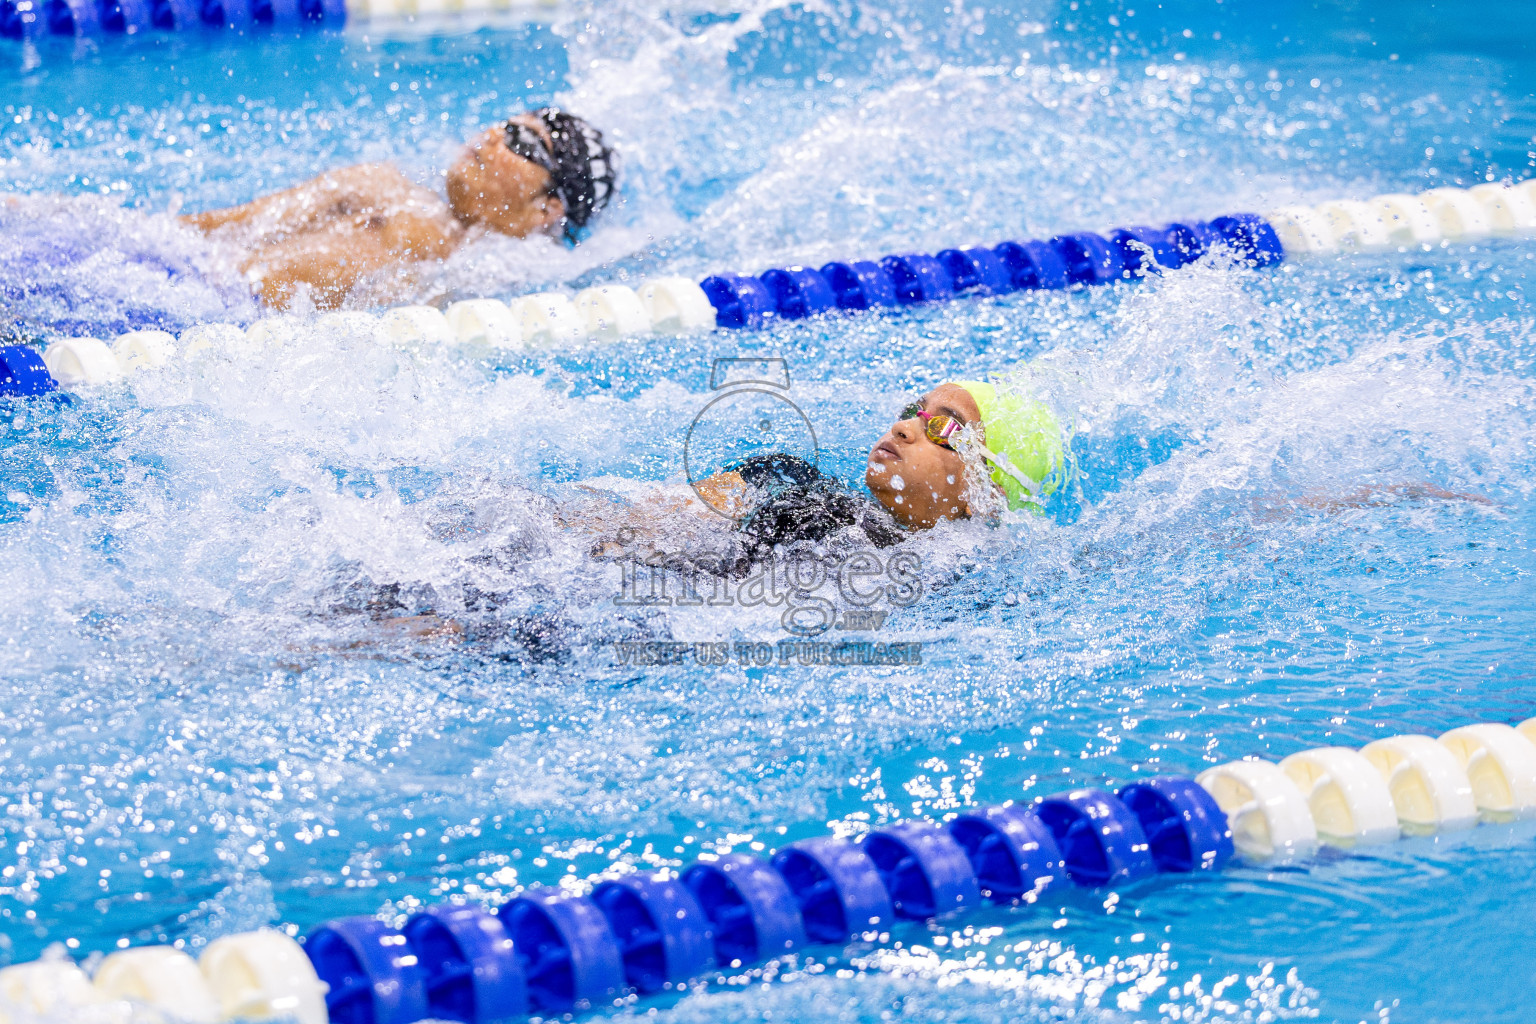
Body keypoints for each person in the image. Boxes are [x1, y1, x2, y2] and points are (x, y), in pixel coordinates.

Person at [179, 108, 617, 311]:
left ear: (547, 208)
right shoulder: (376, 184)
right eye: (505, 124)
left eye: (520, 143)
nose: (490, 136)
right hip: (184, 289)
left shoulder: (507, 277)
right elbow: (203, 230)